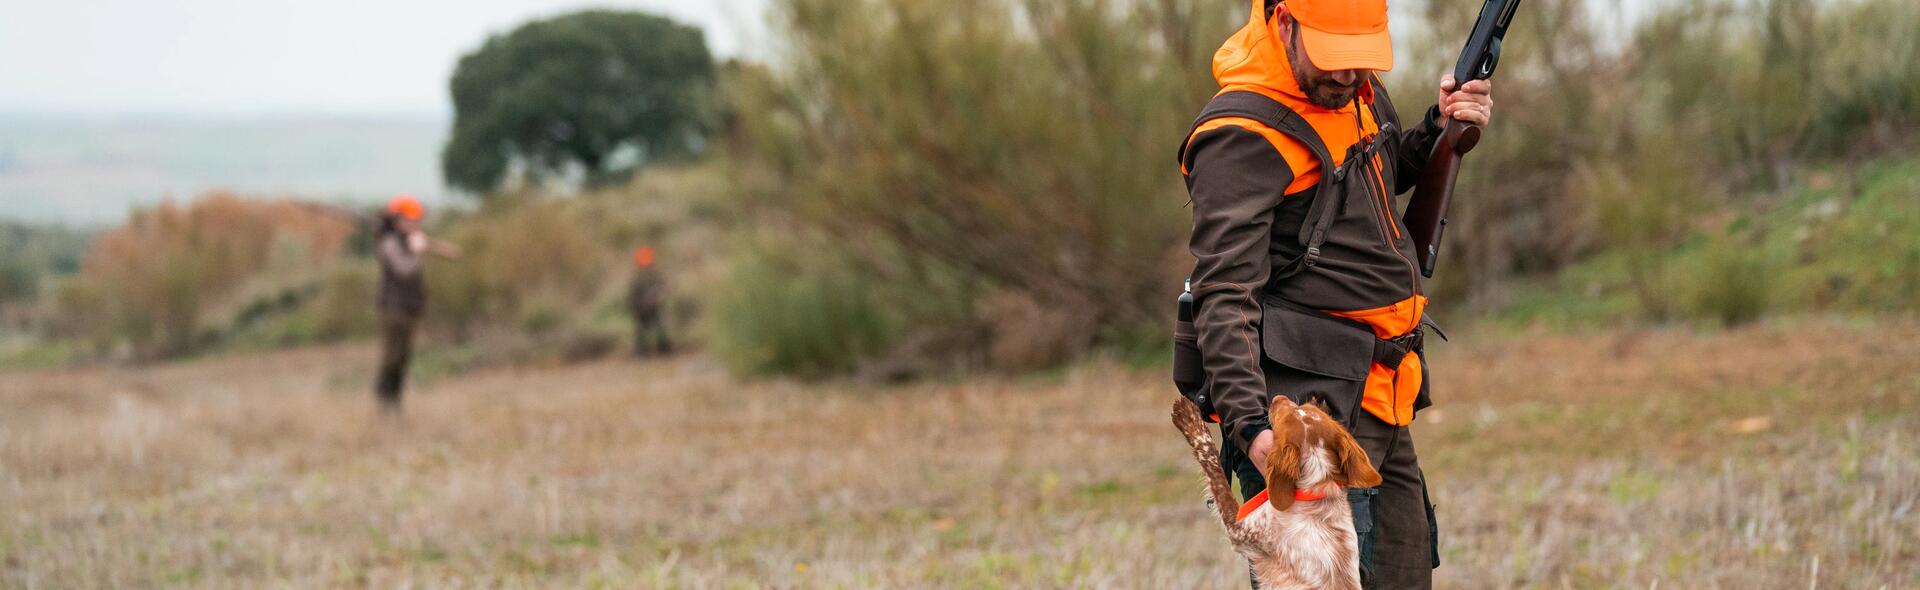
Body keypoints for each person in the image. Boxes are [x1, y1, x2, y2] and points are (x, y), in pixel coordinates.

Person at [1177, 0, 1493, 587]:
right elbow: (1224, 295)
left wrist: (1440, 128)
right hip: (1306, 420)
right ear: (1284, 22)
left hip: (1378, 399)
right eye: (1333, 58)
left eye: (1360, 58)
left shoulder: (1356, 94)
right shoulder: (1242, 137)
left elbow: (1367, 184)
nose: (1348, 75)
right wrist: (1255, 429)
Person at [373, 194, 458, 413]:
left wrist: (423, 246)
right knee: (392, 358)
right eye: (410, 219)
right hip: (394, 309)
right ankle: (385, 404)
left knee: (403, 358)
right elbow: (405, 271)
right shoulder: (389, 243)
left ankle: (395, 404)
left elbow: (452, 253)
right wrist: (417, 251)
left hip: (410, 308)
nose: (415, 223)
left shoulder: (408, 241)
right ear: (397, 220)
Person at [626, 246, 671, 357]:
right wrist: (639, 307)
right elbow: (632, 297)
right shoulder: (636, 278)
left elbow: (664, 288)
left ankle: (663, 349)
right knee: (641, 331)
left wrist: (659, 297)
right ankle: (642, 352)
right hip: (641, 309)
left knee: (660, 328)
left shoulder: (655, 275)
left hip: (654, 308)